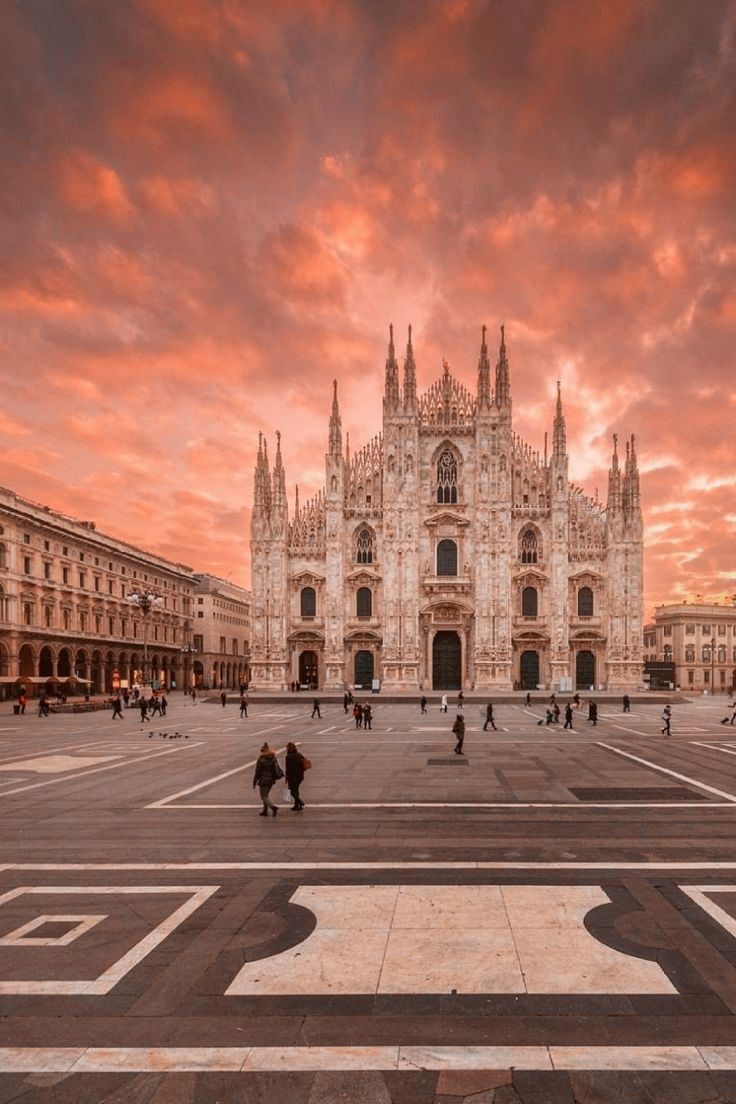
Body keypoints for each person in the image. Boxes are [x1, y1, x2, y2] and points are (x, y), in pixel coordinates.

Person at [253, 742, 283, 816]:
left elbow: (258, 772)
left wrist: (254, 781)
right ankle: (265, 811)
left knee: (263, 797)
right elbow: (276, 769)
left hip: (263, 780)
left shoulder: (261, 760)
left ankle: (273, 807)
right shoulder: (273, 758)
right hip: (271, 780)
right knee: (266, 795)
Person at [285, 741, 306, 810]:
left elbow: (288, 768)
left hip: (292, 776)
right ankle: (296, 805)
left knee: (291, 791)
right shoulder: (299, 755)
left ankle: (299, 801)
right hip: (299, 775)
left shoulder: (288, 757)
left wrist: (287, 777)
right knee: (296, 790)